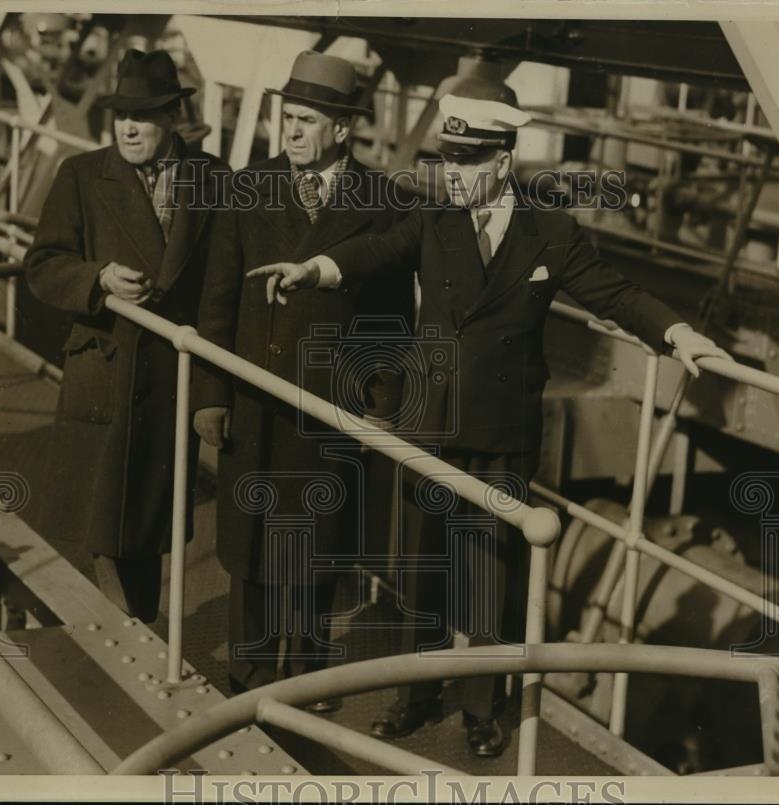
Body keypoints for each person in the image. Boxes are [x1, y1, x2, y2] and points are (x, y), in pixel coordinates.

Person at [246, 73, 733, 756]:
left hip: (503, 431)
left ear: (502, 161)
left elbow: (615, 294)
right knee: (422, 566)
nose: (454, 173)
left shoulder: (550, 233)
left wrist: (678, 333)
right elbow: (374, 249)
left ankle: (482, 707)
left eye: (468, 162)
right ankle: (414, 694)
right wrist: (318, 267)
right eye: (448, 159)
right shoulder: (433, 218)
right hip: (431, 421)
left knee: (490, 569)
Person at [191, 51, 414, 707]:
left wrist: (380, 400)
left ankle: (310, 675)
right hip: (254, 397)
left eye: (306, 120)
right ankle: (252, 670)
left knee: (318, 545)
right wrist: (211, 396)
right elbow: (217, 299)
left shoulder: (383, 202)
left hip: (329, 402)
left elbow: (392, 320)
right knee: (251, 545)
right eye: (287, 117)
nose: (290, 131)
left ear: (343, 128)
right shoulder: (246, 187)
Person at [25, 49, 232, 623]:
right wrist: (97, 279)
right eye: (121, 115)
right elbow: (43, 264)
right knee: (104, 523)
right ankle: (131, 629)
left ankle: (136, 626)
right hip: (106, 370)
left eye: (142, 116)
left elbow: (225, 283)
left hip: (171, 378)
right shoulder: (83, 176)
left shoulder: (214, 179)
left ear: (172, 119)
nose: (128, 127)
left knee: (146, 527)